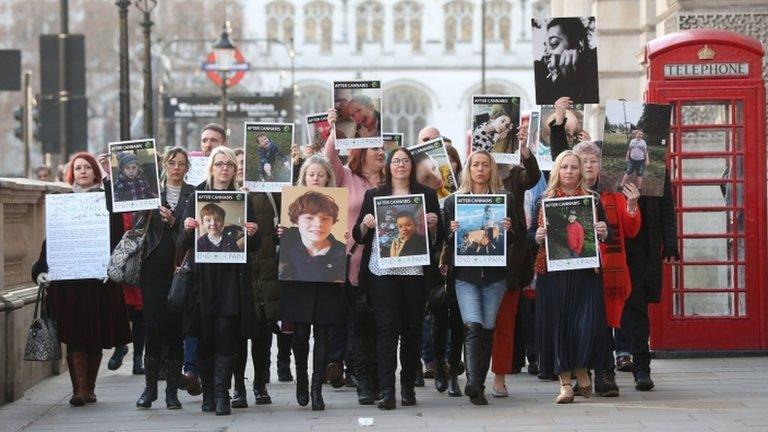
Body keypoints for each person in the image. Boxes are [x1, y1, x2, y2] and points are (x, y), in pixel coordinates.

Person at [31, 152, 133, 407]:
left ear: (95, 172)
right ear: (72, 173)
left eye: (88, 167)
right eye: (78, 168)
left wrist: (111, 176)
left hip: (97, 280)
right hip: (70, 282)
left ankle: (90, 388)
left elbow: (118, 233)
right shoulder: (63, 202)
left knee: (94, 336)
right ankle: (78, 390)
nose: (83, 172)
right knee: (75, 335)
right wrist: (41, 267)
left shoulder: (106, 201)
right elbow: (52, 240)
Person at [353, 147, 444, 410]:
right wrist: (366, 224)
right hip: (382, 273)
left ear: (411, 166)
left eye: (405, 161)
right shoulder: (374, 195)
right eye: (396, 161)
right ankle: (386, 390)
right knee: (387, 330)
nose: (400, 165)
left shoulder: (426, 195)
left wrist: (434, 224)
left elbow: (438, 239)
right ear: (389, 166)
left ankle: (407, 388)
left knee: (412, 330)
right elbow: (359, 236)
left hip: (414, 273)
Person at [179, 146, 261, 416]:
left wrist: (253, 232)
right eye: (219, 164)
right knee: (205, 337)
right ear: (211, 167)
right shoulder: (195, 197)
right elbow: (182, 245)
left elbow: (256, 245)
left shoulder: (243, 199)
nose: (224, 168)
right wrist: (187, 228)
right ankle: (209, 394)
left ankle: (222, 392)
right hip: (203, 281)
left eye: (229, 164)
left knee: (227, 334)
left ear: (235, 170)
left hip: (231, 281)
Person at [530, 150, 610, 404]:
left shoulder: (592, 199)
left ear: (581, 171)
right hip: (552, 275)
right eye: (564, 167)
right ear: (557, 170)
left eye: (574, 167)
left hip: (585, 272)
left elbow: (605, 233)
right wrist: (538, 236)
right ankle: (566, 384)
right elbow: (531, 232)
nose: (569, 172)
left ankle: (582, 369)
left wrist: (603, 230)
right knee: (559, 326)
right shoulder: (543, 199)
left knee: (586, 324)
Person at [442, 150, 517, 405]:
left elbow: (519, 238)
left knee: (487, 329)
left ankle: (479, 386)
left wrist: (510, 229)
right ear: (468, 169)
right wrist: (452, 232)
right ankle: (473, 381)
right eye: (476, 165)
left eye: (486, 165)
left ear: (492, 169)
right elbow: (444, 241)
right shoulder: (454, 201)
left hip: (496, 276)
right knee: (472, 326)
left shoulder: (506, 198)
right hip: (466, 276)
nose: (481, 169)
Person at [569, 140, 641, 397]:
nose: (589, 165)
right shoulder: (568, 196)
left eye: (593, 161)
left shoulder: (613, 194)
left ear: (601, 165)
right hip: (578, 269)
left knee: (604, 322)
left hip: (609, 268)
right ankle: (583, 372)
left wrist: (631, 206)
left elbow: (631, 230)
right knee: (582, 323)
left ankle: (604, 372)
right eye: (584, 161)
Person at [325, 108, 386, 403]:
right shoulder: (346, 178)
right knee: (360, 321)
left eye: (383, 148)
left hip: (388, 264)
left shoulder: (390, 184)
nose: (381, 152)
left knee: (380, 324)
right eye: (376, 148)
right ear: (362, 152)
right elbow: (330, 159)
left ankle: (377, 377)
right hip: (354, 260)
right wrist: (334, 128)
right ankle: (362, 378)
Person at [277, 156, 347, 411]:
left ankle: (317, 388)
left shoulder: (336, 235)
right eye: (311, 174)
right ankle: (302, 379)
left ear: (328, 177)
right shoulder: (291, 234)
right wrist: (280, 235)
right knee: (300, 334)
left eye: (320, 175)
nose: (316, 178)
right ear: (303, 177)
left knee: (323, 334)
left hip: (327, 284)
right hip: (297, 285)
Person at [134, 147, 196, 409]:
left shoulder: (193, 193)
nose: (176, 168)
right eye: (172, 163)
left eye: (182, 164)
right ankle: (150, 390)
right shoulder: (150, 192)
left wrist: (173, 221)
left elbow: (192, 230)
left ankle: (172, 392)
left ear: (187, 168)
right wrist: (107, 176)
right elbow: (125, 211)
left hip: (180, 271)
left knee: (174, 331)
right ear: (164, 165)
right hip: (153, 272)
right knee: (153, 328)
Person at [230, 148, 286, 409]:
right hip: (238, 276)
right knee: (238, 334)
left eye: (244, 163)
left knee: (263, 333)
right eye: (236, 164)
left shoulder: (271, 194)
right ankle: (238, 386)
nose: (240, 168)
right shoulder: (225, 196)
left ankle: (260, 383)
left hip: (266, 273)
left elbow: (286, 226)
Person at [489, 118, 541, 398]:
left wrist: (525, 151)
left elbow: (531, 177)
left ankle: (500, 377)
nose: (484, 168)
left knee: (506, 324)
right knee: (478, 325)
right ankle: (474, 375)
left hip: (510, 261)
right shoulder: (471, 183)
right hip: (478, 265)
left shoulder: (514, 175)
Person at [280, 190, 347, 282]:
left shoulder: (342, 253)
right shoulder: (287, 243)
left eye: (325, 218)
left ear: (333, 222)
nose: (318, 224)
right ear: (296, 221)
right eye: (309, 218)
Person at [533, 17, 599, 103]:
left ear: (580, 44)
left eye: (554, 44)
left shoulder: (594, 73)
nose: (546, 52)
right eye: (545, 46)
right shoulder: (541, 75)